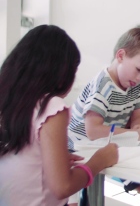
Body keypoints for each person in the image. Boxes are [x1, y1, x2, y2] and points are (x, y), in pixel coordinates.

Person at [0, 25, 118, 206]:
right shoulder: (50, 106)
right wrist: (99, 161)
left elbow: (20, 159)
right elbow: (63, 187)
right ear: (61, 73)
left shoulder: (8, 101)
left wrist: (52, 158)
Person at [68, 27, 140, 206]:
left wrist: (138, 127)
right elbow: (93, 131)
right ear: (121, 56)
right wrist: (136, 134)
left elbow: (137, 115)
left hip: (110, 146)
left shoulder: (135, 84)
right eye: (139, 70)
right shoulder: (103, 86)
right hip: (79, 151)